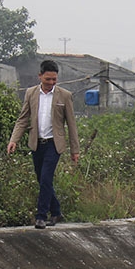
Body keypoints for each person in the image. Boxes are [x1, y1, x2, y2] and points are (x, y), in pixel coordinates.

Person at [7, 60, 80, 229]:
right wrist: (14, 140)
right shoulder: (31, 93)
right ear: (40, 76)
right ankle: (56, 211)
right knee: (42, 179)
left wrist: (74, 150)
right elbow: (23, 119)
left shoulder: (65, 95)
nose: (51, 83)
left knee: (47, 177)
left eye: (54, 79)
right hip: (36, 143)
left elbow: (72, 124)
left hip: (54, 144)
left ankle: (41, 216)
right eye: (48, 79)